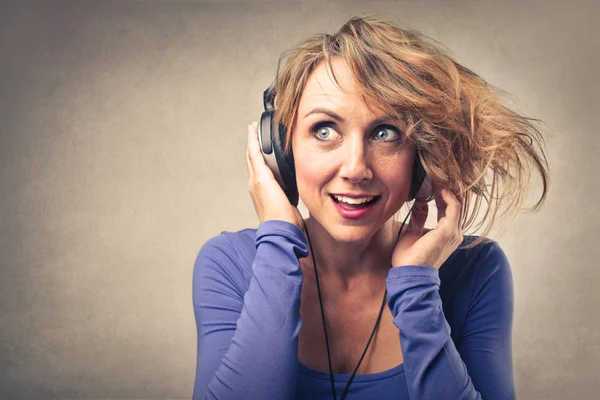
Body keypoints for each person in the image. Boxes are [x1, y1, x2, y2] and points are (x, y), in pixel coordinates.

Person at [192, 16, 550, 400]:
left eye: (386, 133)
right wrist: (279, 238)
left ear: (422, 157)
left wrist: (416, 285)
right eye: (325, 130)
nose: (356, 169)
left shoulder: (476, 269)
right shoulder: (229, 264)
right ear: (281, 149)